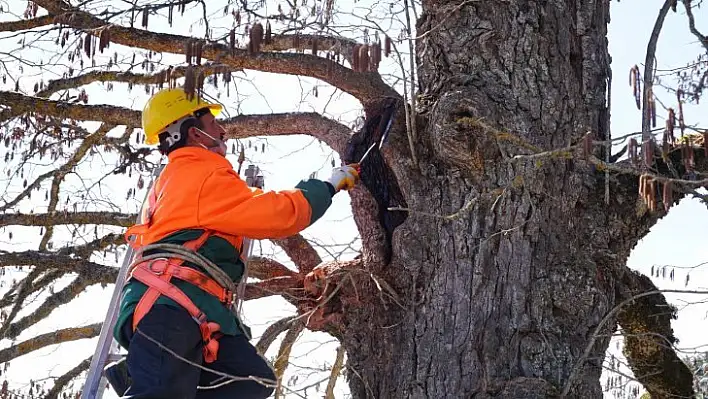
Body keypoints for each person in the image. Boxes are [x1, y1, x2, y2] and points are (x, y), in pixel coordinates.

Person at [103, 87, 360, 398]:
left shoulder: (178, 178)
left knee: (251, 381)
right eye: (213, 124)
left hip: (193, 308)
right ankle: (141, 376)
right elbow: (274, 214)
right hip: (171, 306)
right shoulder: (200, 172)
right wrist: (327, 186)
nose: (222, 130)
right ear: (194, 132)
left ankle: (137, 371)